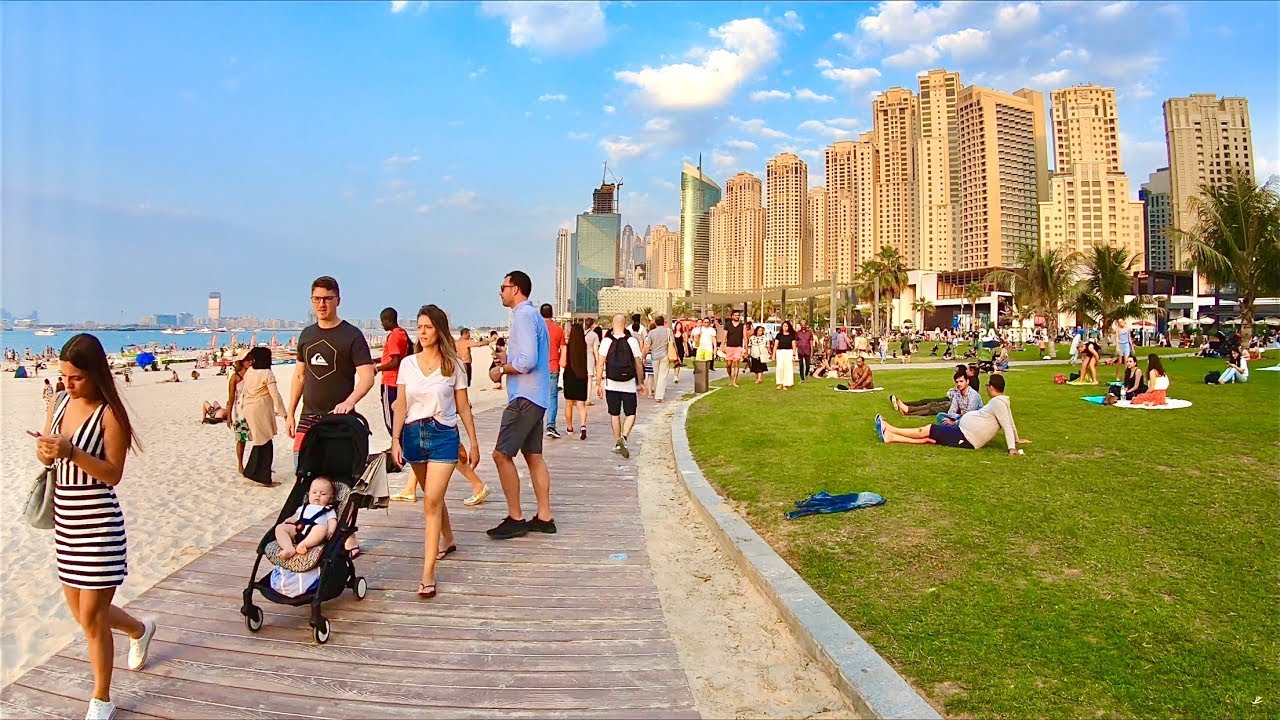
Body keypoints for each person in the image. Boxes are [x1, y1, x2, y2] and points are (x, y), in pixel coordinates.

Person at [35, 334, 153, 720]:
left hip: (99, 525)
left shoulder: (109, 414)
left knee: (94, 620)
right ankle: (139, 629)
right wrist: (46, 451)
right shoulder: (59, 402)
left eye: (76, 378)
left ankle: (101, 698)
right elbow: (49, 456)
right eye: (64, 376)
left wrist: (71, 451)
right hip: (66, 523)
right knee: (85, 616)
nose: (68, 384)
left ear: (96, 374)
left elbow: (112, 474)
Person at [389, 305, 482, 597]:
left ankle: (427, 572)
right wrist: (395, 439)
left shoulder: (453, 364)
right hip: (414, 435)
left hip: (444, 435)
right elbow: (401, 405)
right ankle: (449, 538)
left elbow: (464, 406)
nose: (423, 332)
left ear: (439, 329)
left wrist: (474, 441)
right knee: (433, 494)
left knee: (430, 500)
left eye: (428, 327)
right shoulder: (408, 364)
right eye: (420, 327)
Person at [286, 276, 374, 557]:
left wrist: (349, 402)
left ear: (338, 299)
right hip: (308, 418)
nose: (322, 304)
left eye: (327, 298)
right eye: (317, 299)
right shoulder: (307, 335)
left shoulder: (351, 336)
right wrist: (290, 412)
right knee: (304, 476)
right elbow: (299, 375)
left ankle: (347, 536)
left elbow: (367, 377)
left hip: (339, 422)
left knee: (342, 481)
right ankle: (307, 527)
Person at [487, 271, 555, 540]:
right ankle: (544, 516)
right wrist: (508, 355)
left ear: (515, 289)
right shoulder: (533, 316)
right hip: (537, 397)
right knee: (533, 456)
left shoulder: (523, 316)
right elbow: (529, 355)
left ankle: (516, 518)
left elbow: (526, 362)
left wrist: (500, 370)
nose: (500, 292)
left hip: (524, 399)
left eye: (502, 287)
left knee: (501, 455)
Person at [875, 373, 1028, 455]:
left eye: (988, 386)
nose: (986, 388)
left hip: (966, 437)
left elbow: (1007, 425)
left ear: (993, 388)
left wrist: (1012, 448)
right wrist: (1016, 440)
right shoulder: (1003, 401)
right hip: (962, 430)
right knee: (931, 437)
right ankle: (891, 436)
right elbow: (1011, 422)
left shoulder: (998, 403)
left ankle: (891, 429)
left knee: (928, 430)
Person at [597, 313, 646, 458]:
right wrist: (641, 382)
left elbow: (600, 363)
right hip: (629, 384)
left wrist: (598, 383)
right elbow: (638, 363)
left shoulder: (606, 341)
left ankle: (618, 442)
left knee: (614, 414)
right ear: (625, 325)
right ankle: (624, 437)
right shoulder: (632, 341)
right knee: (630, 413)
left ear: (612, 325)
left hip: (611, 384)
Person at [240, 346, 288, 485]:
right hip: (260, 409)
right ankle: (259, 474)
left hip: (249, 407)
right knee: (264, 442)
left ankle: (257, 471)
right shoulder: (267, 373)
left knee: (260, 440)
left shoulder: (250, 371)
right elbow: (275, 396)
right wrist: (284, 413)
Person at [375, 308, 411, 465]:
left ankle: (399, 450)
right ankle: (401, 448)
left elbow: (395, 361)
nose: (382, 324)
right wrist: (378, 360)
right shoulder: (402, 333)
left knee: (391, 420)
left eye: (383, 321)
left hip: (391, 382)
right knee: (401, 417)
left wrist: (378, 368)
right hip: (400, 382)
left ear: (388, 320)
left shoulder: (393, 336)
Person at [272, 477, 339, 561]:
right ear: (309, 494)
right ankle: (288, 547)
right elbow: (296, 516)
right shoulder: (304, 507)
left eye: (323, 494)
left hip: (314, 533)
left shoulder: (328, 509)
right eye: (314, 492)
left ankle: (304, 545)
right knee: (280, 528)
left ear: (331, 498)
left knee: (322, 529)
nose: (318, 495)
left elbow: (332, 521)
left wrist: (331, 531)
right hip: (298, 529)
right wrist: (291, 519)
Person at [890, 365, 980, 417]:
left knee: (934, 408)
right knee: (933, 405)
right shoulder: (958, 394)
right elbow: (951, 411)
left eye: (961, 381)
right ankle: (907, 408)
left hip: (967, 419)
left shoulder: (973, 394)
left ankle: (908, 410)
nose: (958, 384)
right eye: (957, 382)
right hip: (954, 405)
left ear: (967, 382)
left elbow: (968, 415)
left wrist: (955, 418)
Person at [562, 321, 590, 439]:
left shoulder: (566, 348)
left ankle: (569, 427)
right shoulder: (584, 347)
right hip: (582, 375)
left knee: (569, 404)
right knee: (581, 405)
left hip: (569, 376)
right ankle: (583, 425)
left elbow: (563, 363)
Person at [541, 304, 566, 439]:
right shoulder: (558, 330)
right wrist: (563, 363)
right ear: (552, 313)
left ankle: (536, 424)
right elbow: (563, 349)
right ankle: (550, 425)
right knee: (552, 397)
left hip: (538, 369)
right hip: (552, 367)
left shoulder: (537, 329)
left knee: (537, 397)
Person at [226, 356, 250, 474]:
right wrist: (229, 416)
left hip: (252, 409)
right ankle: (240, 464)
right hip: (240, 411)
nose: (250, 362)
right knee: (241, 439)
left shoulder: (252, 374)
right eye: (247, 360)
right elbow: (231, 398)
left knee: (259, 438)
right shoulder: (235, 377)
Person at [646, 315, 673, 403]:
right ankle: (659, 396)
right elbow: (672, 343)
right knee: (663, 376)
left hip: (654, 356)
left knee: (656, 375)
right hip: (665, 355)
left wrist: (643, 356)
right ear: (663, 322)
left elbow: (647, 346)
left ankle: (657, 393)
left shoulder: (651, 332)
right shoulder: (668, 331)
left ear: (655, 323)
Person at [722, 309, 747, 388]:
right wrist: (722, 346)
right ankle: (730, 378)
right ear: (732, 316)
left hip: (738, 347)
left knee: (736, 364)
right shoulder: (728, 325)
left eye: (738, 315)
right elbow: (724, 336)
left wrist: (746, 347)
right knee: (728, 364)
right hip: (729, 347)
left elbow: (745, 336)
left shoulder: (743, 325)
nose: (737, 317)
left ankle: (734, 381)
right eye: (735, 315)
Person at [772, 320, 797, 390]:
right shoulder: (778, 335)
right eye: (784, 326)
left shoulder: (791, 335)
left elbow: (794, 345)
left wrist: (794, 354)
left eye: (786, 326)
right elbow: (775, 345)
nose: (785, 328)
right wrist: (773, 355)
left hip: (788, 352)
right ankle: (780, 383)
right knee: (780, 367)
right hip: (780, 352)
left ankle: (786, 384)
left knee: (788, 368)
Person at [584, 318, 601, 403]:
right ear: (592, 325)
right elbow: (595, 350)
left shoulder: (579, 333)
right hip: (589, 357)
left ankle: (579, 397)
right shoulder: (594, 335)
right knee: (589, 378)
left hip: (580, 358)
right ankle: (587, 399)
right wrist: (598, 361)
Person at [671, 320, 687, 385]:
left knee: (679, 363)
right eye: (678, 325)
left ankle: (676, 376)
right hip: (674, 349)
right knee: (675, 362)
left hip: (681, 349)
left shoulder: (683, 334)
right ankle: (675, 375)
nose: (679, 327)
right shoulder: (673, 333)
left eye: (680, 325)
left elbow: (685, 342)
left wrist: (686, 350)